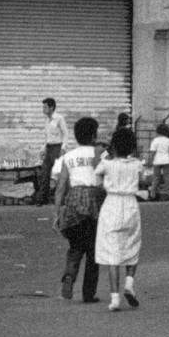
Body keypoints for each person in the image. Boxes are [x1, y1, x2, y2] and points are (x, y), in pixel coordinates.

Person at [51, 117, 102, 303]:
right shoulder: (100, 154)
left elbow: (60, 187)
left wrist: (57, 214)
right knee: (93, 251)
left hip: (74, 202)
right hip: (95, 202)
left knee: (75, 246)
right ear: (94, 135)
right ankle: (89, 294)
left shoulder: (68, 157)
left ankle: (69, 276)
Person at [95, 127, 145, 310]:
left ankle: (114, 298)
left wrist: (106, 153)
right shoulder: (136, 164)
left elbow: (97, 172)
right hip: (131, 204)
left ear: (113, 146)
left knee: (112, 252)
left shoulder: (107, 164)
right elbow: (143, 178)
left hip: (112, 204)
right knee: (132, 244)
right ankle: (129, 283)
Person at [34, 98, 69, 205]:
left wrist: (63, 148)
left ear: (51, 108)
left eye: (45, 107)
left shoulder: (59, 118)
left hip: (57, 148)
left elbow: (66, 134)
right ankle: (42, 199)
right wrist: (42, 149)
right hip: (49, 149)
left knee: (58, 174)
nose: (43, 109)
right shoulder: (46, 120)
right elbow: (47, 137)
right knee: (44, 173)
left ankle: (63, 198)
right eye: (43, 107)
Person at [149, 123, 169, 200]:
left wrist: (150, 161)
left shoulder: (155, 140)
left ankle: (152, 195)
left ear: (157, 132)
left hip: (157, 161)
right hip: (166, 160)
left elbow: (153, 152)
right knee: (168, 178)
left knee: (156, 178)